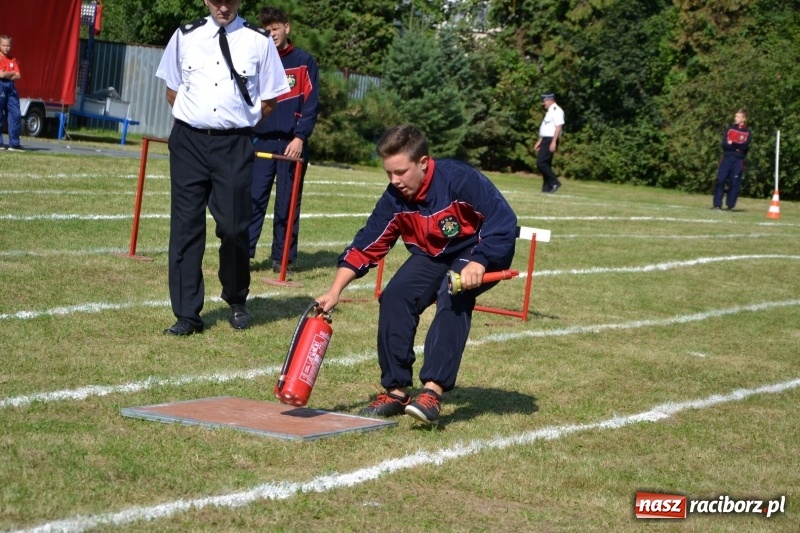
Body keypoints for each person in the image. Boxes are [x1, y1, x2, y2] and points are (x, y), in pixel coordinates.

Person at [315, 125, 518, 425]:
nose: (394, 181)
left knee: (453, 291)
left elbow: (503, 221)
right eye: (388, 174)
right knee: (395, 296)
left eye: (400, 172)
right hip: (432, 254)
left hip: (476, 250)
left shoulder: (460, 179)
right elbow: (367, 244)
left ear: (423, 163)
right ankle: (396, 392)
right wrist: (335, 291)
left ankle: (432, 393)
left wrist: (481, 261)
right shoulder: (394, 199)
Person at [155, 0, 289, 336]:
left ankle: (236, 298)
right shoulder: (185, 36)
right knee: (186, 228)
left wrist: (241, 124)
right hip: (188, 142)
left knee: (233, 226)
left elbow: (271, 98)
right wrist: (198, 121)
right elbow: (173, 90)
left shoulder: (258, 41)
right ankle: (187, 314)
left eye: (229, 1)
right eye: (217, 1)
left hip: (234, 144)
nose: (223, 7)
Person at [249, 7, 319, 274]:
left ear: (286, 28)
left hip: (292, 143)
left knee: (287, 202)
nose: (271, 34)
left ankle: (283, 258)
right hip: (262, 141)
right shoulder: (258, 61)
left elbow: (311, 103)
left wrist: (300, 137)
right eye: (266, 30)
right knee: (253, 198)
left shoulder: (304, 61)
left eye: (275, 28)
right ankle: (245, 252)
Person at [712, 109, 752, 211]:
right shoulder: (730, 129)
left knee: (734, 182)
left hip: (738, 160)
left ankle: (730, 205)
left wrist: (733, 143)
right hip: (727, 158)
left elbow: (744, 147)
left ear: (744, 118)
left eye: (738, 117)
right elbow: (724, 144)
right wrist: (735, 147)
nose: (736, 118)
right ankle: (717, 204)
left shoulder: (747, 132)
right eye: (735, 116)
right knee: (721, 180)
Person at [534, 93, 564, 193]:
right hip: (546, 139)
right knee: (546, 163)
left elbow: (558, 126)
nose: (543, 104)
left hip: (551, 139)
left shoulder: (557, 110)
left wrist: (554, 142)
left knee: (541, 162)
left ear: (549, 100)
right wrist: (540, 141)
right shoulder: (550, 111)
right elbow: (547, 128)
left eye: (544, 101)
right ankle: (546, 188)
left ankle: (554, 182)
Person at [0, 35, 24, 151]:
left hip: (11, 87)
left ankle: (14, 143)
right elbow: (1, 75)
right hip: (1, 85)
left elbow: (18, 75)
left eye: (8, 45)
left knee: (16, 114)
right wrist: (11, 73)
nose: (6, 48)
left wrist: (7, 72)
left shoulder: (12, 59)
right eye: (3, 45)